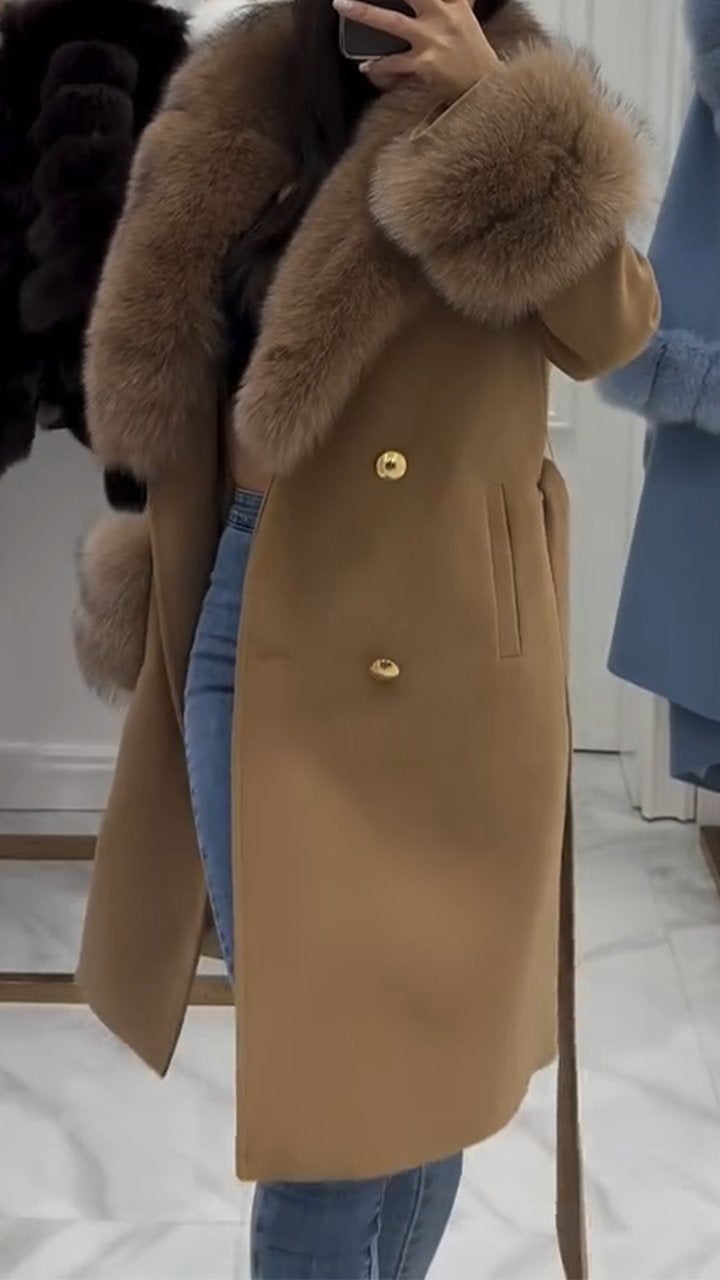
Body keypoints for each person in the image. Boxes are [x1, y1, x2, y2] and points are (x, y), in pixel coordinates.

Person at [73, 0, 659, 1276]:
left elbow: (612, 331)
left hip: (455, 652)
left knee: (423, 1068)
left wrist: (489, 104)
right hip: (259, 614)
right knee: (332, 1094)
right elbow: (170, 402)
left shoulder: (525, 97)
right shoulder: (235, 100)